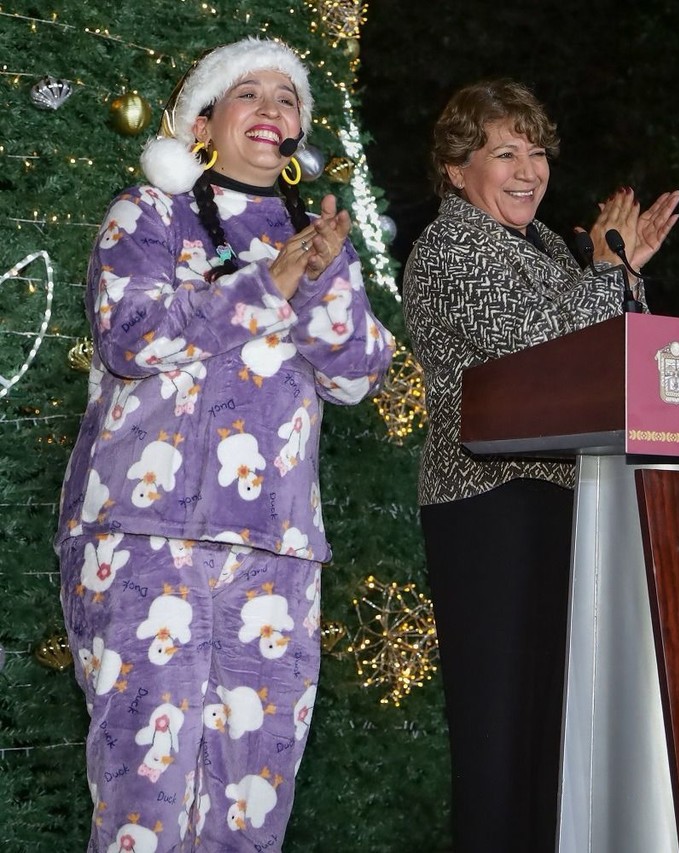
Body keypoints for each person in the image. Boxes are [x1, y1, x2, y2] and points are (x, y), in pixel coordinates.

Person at [54, 36, 395, 852]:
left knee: (251, 803)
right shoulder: (148, 214)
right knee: (145, 796)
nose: (274, 111)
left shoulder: (319, 238)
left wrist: (314, 287)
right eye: (252, 95)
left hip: (275, 552)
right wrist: (261, 286)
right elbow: (129, 338)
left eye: (288, 100)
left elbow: (359, 375)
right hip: (142, 540)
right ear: (203, 122)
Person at [400, 78, 679, 853]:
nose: (529, 169)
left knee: (556, 733)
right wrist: (602, 273)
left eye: (538, 150)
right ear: (457, 170)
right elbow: (535, 352)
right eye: (505, 152)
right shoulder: (449, 246)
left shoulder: (550, 244)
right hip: (488, 502)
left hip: (571, 496)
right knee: (500, 733)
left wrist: (625, 275)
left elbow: (619, 359)